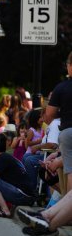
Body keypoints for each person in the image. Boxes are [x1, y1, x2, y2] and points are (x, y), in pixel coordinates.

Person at [45, 51, 72, 193]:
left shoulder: (61, 88)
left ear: (70, 66)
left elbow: (49, 114)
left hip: (68, 131)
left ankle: (68, 210)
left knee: (70, 173)